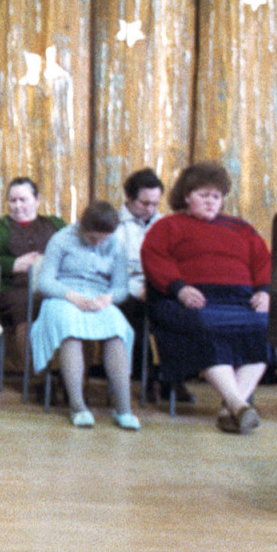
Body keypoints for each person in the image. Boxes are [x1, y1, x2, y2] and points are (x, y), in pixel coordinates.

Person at [141, 162, 272, 434]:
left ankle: (232, 407)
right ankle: (237, 404)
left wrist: (263, 290)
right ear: (187, 196)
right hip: (190, 299)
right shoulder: (168, 226)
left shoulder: (242, 228)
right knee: (206, 325)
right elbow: (154, 259)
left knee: (265, 328)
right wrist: (180, 289)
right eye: (204, 195)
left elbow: (263, 261)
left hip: (241, 300)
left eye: (216, 196)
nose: (211, 201)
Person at [29, 202, 138, 429]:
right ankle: (78, 407)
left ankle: (124, 409)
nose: (98, 244)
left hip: (98, 297)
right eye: (92, 239)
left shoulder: (116, 245)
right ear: (81, 227)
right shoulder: (61, 239)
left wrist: (107, 299)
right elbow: (45, 282)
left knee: (117, 330)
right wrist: (72, 296)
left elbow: (121, 288)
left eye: (103, 239)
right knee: (70, 329)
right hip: (64, 296)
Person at [0, 177, 66, 373]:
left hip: (53, 286)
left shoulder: (56, 224)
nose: (17, 205)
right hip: (12, 288)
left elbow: (73, 252)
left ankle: (71, 377)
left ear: (37, 200)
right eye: (12, 200)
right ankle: (38, 375)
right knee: (26, 305)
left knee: (69, 305)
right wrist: (14, 264)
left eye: (23, 200)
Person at [112, 168, 177, 400]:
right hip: (125, 288)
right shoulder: (114, 225)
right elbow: (109, 269)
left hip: (158, 285)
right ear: (129, 198)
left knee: (178, 314)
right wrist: (135, 289)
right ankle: (146, 378)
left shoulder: (166, 225)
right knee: (136, 314)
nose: (150, 209)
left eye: (155, 204)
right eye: (144, 203)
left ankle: (173, 379)